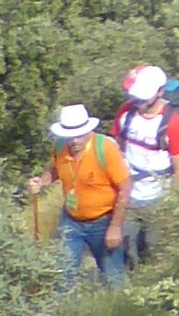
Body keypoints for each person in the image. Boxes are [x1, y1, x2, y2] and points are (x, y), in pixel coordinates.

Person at [40, 104, 129, 287]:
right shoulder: (59, 147)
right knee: (63, 274)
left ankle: (120, 304)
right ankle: (65, 305)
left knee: (113, 277)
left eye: (79, 135)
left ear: (89, 130)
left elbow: (125, 188)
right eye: (70, 136)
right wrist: (41, 182)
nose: (74, 141)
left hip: (103, 221)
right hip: (71, 221)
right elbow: (54, 169)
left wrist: (115, 227)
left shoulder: (105, 148)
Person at [117, 63, 179, 262]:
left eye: (144, 97)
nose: (138, 101)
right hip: (129, 193)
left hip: (158, 196)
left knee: (153, 247)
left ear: (160, 92)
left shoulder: (172, 121)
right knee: (125, 245)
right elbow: (118, 148)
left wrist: (177, 202)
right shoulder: (126, 114)